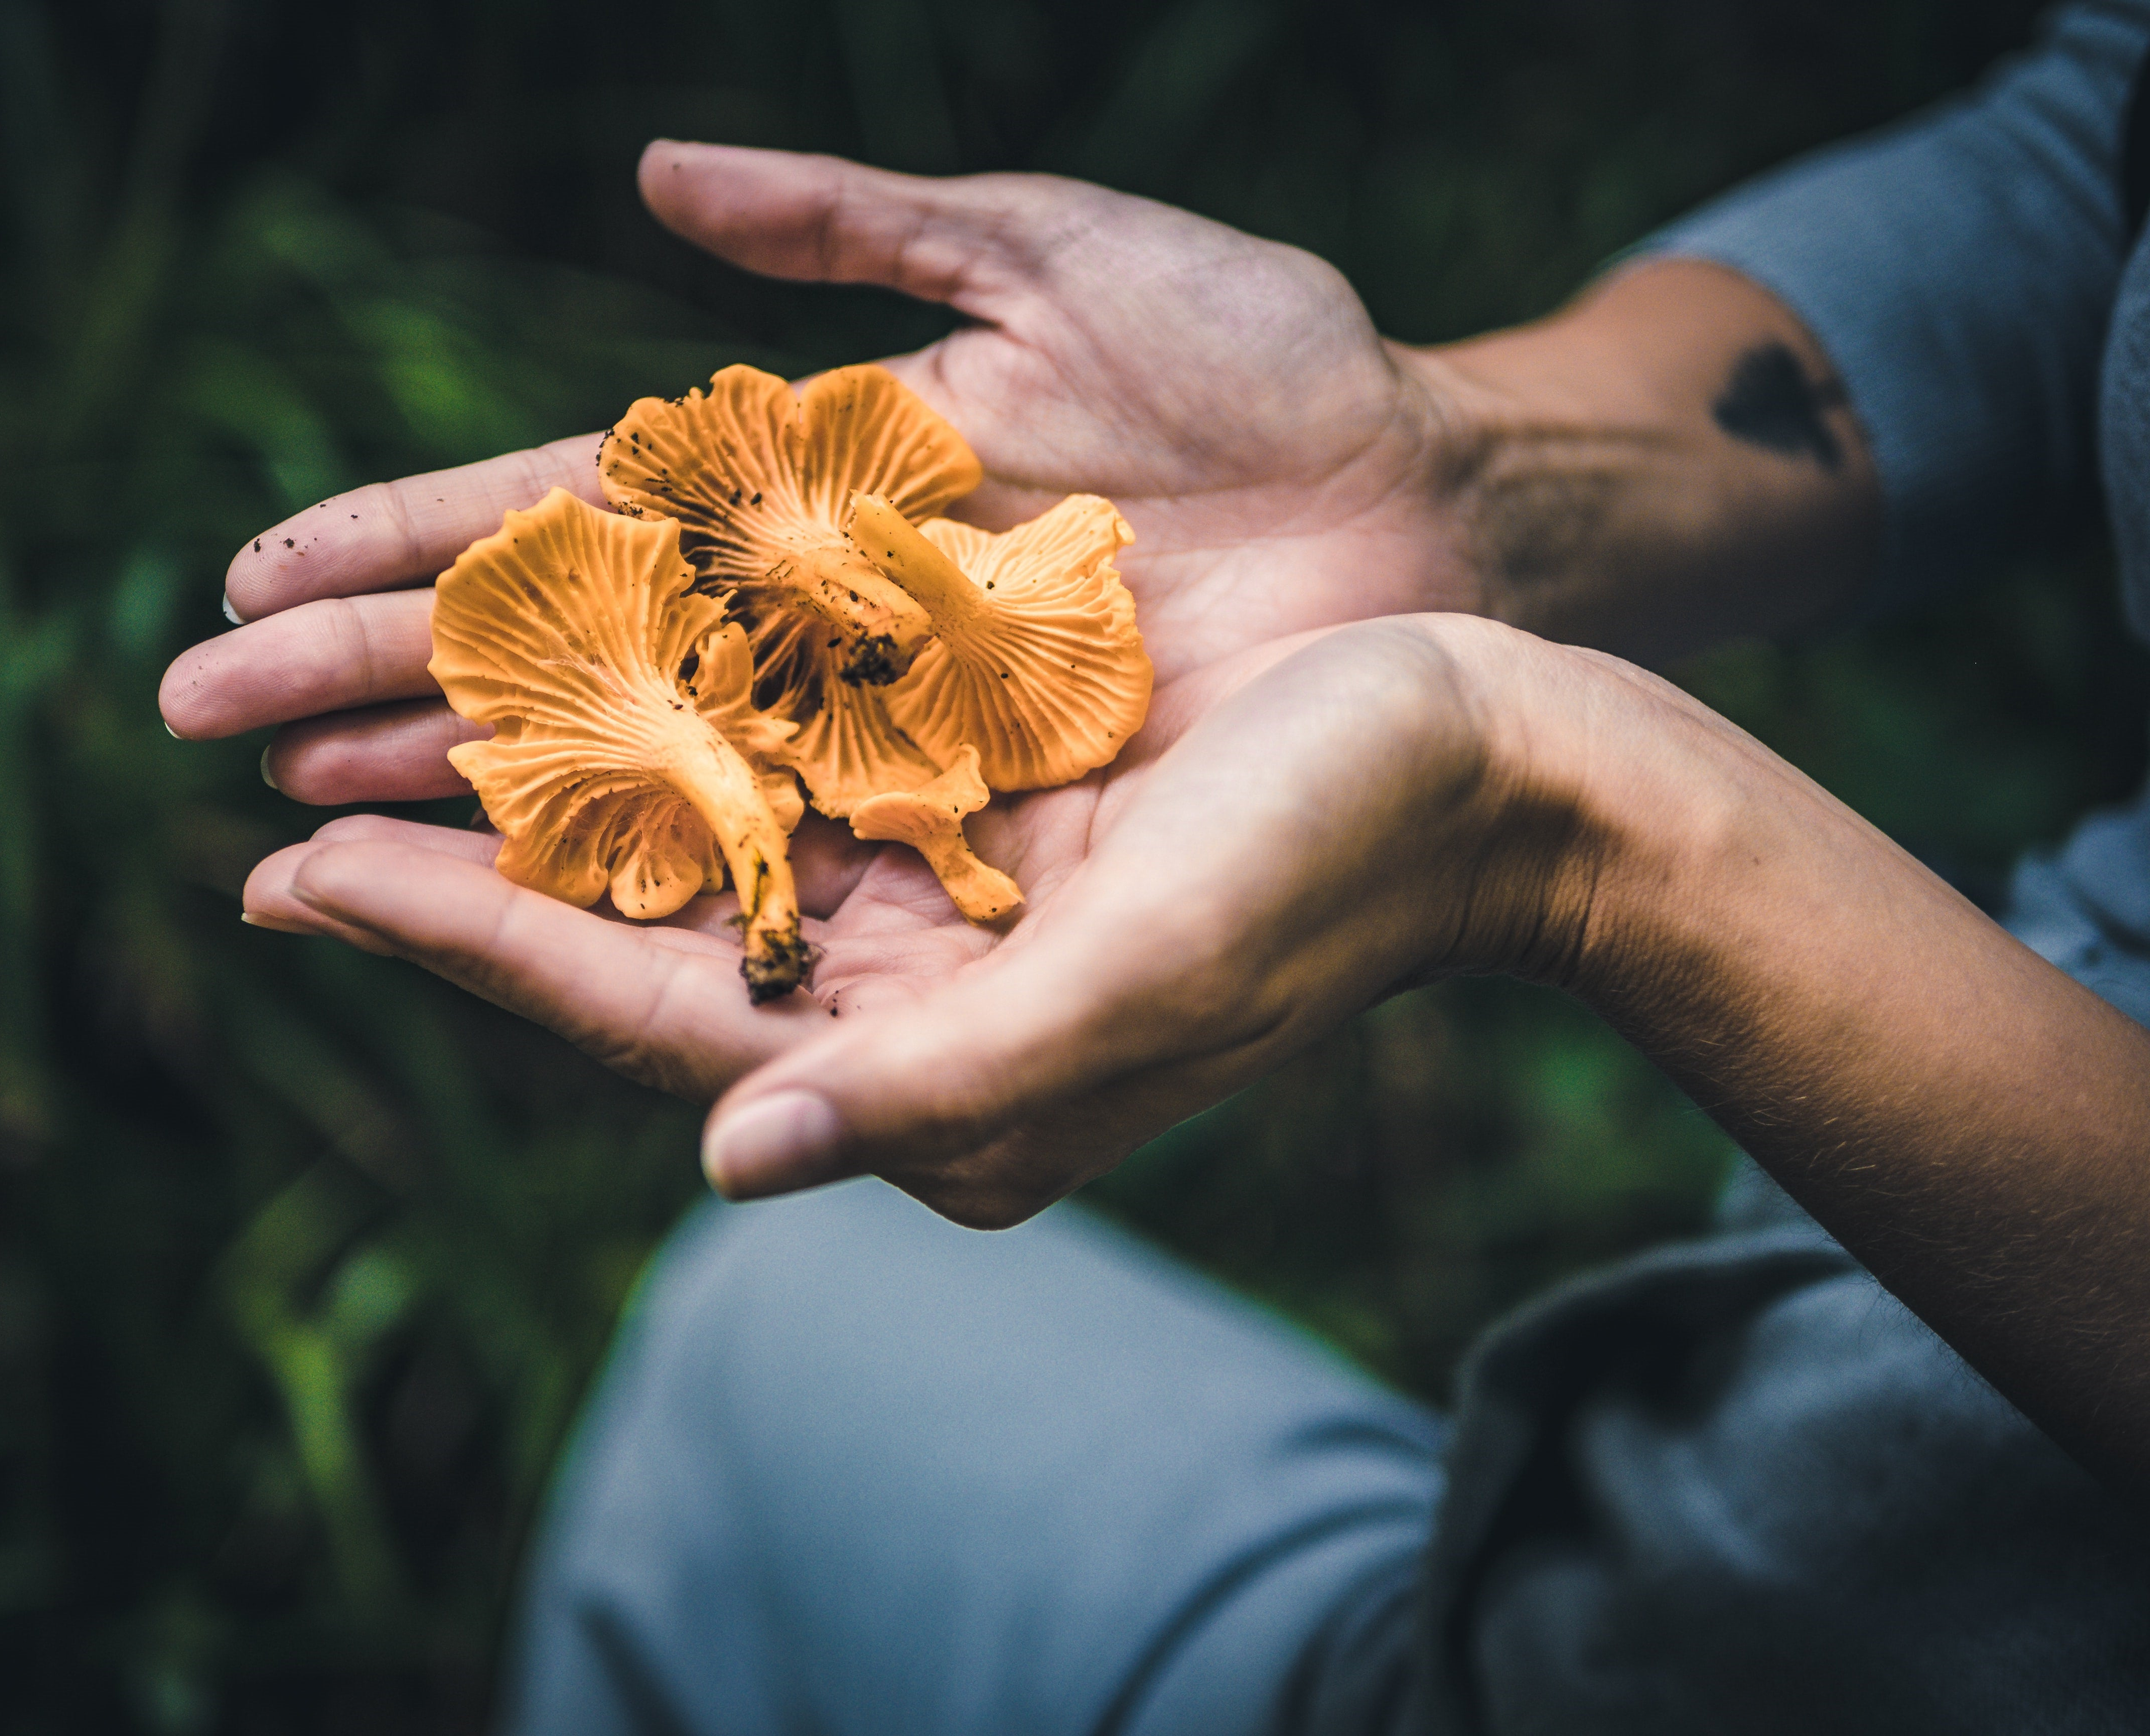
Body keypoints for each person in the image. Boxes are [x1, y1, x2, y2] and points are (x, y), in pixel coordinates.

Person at [159, 4, 2150, 1728]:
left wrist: (1569, 824)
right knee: (766, 1308)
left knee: (755, 1358)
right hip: (1737, 1469)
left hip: (1855, 1657)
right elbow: (2094, 165)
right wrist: (1467, 471)